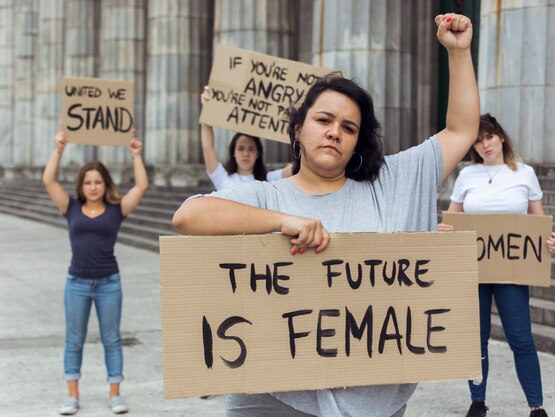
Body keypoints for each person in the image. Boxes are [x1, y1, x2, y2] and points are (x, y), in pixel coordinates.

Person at [173, 13, 477, 417]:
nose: (335, 131)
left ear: (356, 144)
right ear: (297, 129)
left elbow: (460, 131)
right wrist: (283, 222)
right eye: (323, 120)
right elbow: (188, 216)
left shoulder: (392, 182)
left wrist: (458, 54)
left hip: (375, 401)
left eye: (349, 128)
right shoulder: (266, 195)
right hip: (275, 401)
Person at [438, 113, 555, 417]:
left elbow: (538, 222)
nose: (484, 145)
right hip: (474, 269)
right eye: (477, 141)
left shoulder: (525, 173)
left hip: (512, 270)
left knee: (521, 338)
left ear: (501, 137)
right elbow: (452, 218)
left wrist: (547, 241)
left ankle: (537, 406)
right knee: (475, 339)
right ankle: (477, 401)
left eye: (488, 137)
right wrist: (445, 228)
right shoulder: (467, 176)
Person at [43, 128, 149, 415]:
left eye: (97, 182)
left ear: (105, 184)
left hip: (108, 283)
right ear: (82, 185)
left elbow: (140, 187)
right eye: (88, 182)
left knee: (111, 339)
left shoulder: (117, 210)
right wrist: (59, 148)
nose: (92, 187)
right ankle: (72, 396)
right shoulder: (70, 207)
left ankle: (115, 394)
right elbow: (48, 180)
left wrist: (135, 156)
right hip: (76, 282)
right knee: (74, 340)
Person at [200, 86, 292, 190]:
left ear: (258, 153)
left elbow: (294, 169)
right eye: (241, 148)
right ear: (233, 152)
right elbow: (207, 147)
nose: (246, 154)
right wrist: (206, 110)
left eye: (251, 149)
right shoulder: (222, 179)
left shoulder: (269, 179)